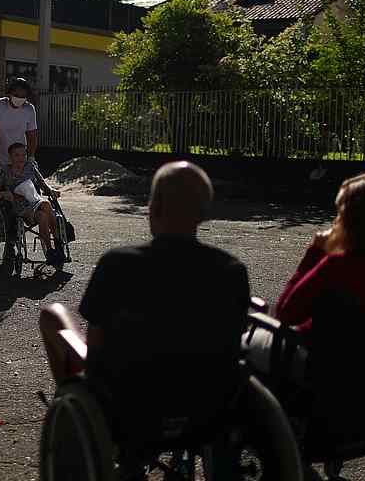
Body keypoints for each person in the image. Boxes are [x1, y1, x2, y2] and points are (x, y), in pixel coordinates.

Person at [39, 161, 249, 384]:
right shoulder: (231, 270)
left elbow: (96, 344)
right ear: (203, 212)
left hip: (126, 395)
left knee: (52, 315)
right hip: (205, 395)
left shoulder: (117, 264)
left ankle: (70, 400)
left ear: (153, 207)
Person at [243, 171, 365, 383]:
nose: (336, 220)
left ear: (356, 222)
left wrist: (315, 252)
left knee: (244, 344)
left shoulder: (339, 265)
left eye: (340, 214)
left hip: (325, 368)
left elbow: (286, 313)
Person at [0, 143, 62, 265]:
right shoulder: (5, 170)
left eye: (24, 155)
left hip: (35, 200)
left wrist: (52, 190)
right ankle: (56, 243)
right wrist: (5, 194)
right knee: (44, 208)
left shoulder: (30, 166)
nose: (21, 158)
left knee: (43, 213)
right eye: (17, 155)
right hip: (19, 206)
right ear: (10, 157)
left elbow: (43, 185)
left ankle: (52, 248)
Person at [0, 77, 38, 190]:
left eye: (23, 96)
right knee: (0, 199)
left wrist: (31, 157)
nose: (20, 98)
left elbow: (32, 136)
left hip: (19, 163)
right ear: (9, 93)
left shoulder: (29, 109)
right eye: (17, 95)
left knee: (27, 198)